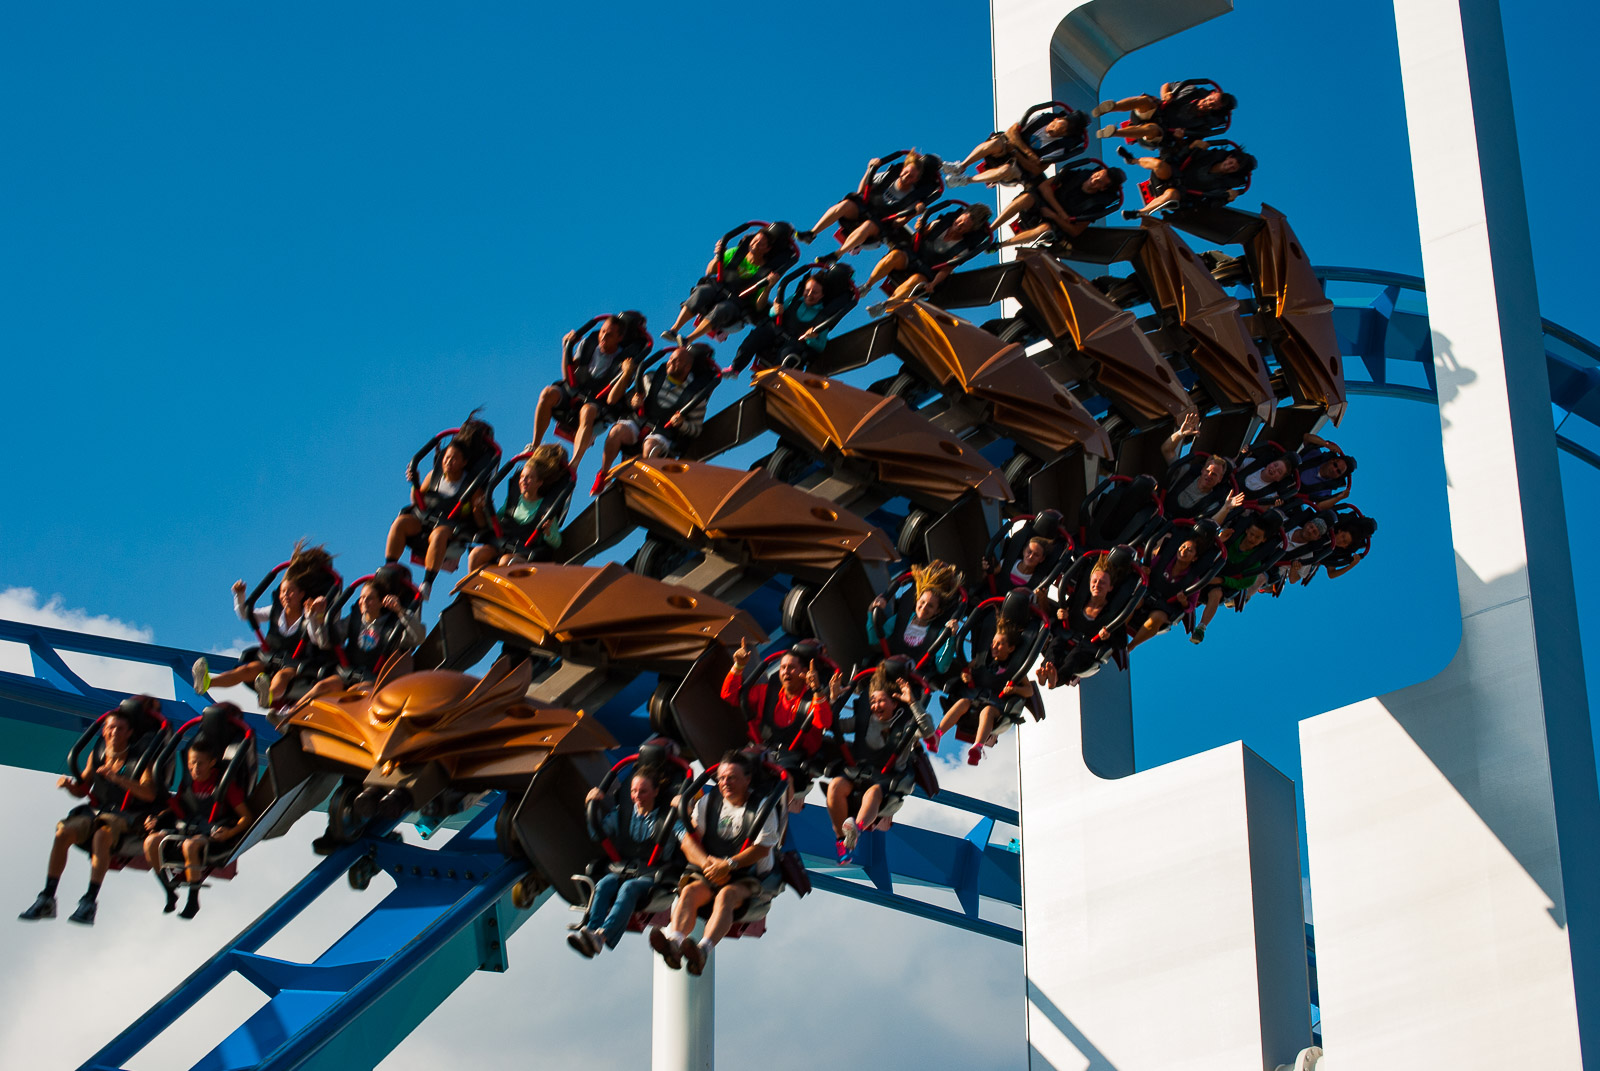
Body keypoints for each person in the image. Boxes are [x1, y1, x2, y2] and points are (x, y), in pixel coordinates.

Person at [18, 704, 160, 925]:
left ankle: (89, 901)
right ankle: (47, 896)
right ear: (104, 730)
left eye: (121, 729)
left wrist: (119, 779)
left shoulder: (140, 759)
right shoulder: (98, 754)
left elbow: (150, 794)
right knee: (63, 831)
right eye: (111, 728)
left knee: (102, 835)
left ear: (129, 733)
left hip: (126, 816)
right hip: (96, 811)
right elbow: (83, 789)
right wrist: (69, 786)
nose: (114, 732)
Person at [650, 751, 781, 975]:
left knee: (725, 896)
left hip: (746, 875)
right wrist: (707, 863)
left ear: (747, 779)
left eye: (731, 777)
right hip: (709, 869)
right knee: (689, 891)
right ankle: (674, 942)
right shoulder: (708, 802)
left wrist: (728, 865)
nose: (725, 783)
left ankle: (702, 950)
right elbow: (688, 841)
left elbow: (762, 848)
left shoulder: (762, 808)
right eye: (721, 778)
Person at [191, 542, 340, 707]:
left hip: (296, 665)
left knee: (281, 676)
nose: (286, 596)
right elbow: (246, 615)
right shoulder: (275, 611)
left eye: (290, 592)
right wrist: (239, 596)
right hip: (272, 659)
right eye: (283, 592)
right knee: (247, 670)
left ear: (301, 595)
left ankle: (267, 696)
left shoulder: (307, 614)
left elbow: (315, 637)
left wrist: (313, 616)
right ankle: (207, 683)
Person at [568, 765, 683, 958]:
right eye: (633, 791)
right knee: (604, 883)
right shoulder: (623, 813)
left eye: (643, 791)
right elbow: (597, 834)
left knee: (628, 888)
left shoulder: (667, 819)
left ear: (656, 792)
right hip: (624, 868)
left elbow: (686, 837)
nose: (637, 796)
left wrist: (685, 810)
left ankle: (602, 937)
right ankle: (590, 931)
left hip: (653, 874)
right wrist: (591, 806)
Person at [826, 666, 935, 861]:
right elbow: (830, 724)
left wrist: (912, 702)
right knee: (834, 786)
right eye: (872, 701)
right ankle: (841, 840)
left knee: (874, 792)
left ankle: (856, 829)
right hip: (858, 772)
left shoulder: (906, 725)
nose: (875, 706)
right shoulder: (865, 720)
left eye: (881, 701)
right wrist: (833, 700)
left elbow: (928, 731)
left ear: (894, 703)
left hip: (886, 779)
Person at [385, 414, 500, 599]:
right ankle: (389, 569)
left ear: (464, 463)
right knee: (400, 522)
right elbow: (418, 502)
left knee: (439, 533)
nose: (448, 462)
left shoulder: (472, 489)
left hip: (451, 532)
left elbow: (479, 523)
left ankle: (427, 583)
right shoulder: (434, 477)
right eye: (446, 457)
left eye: (454, 459)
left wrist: (479, 508)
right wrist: (414, 483)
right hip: (425, 520)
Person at [143, 731, 252, 919]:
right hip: (187, 826)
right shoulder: (187, 783)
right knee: (150, 842)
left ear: (211, 763)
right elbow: (177, 807)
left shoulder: (225, 785)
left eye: (200, 763)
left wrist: (229, 833)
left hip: (213, 832)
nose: (195, 768)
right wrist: (157, 819)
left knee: (190, 845)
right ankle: (169, 891)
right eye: (192, 763)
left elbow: (246, 817)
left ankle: (193, 900)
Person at [532, 313, 650, 470]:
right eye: (602, 332)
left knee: (587, 410)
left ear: (619, 338)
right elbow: (569, 378)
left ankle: (574, 464)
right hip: (576, 391)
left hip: (599, 403)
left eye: (609, 335)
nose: (603, 338)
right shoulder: (589, 343)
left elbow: (612, 399)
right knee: (547, 393)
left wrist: (627, 373)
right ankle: (534, 446)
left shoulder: (625, 361)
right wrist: (566, 348)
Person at [595, 343, 721, 486]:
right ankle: (604, 475)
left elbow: (696, 430)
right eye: (671, 358)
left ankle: (639, 484)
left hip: (663, 433)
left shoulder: (696, 398)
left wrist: (682, 424)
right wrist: (634, 401)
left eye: (677, 360)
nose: (671, 362)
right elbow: (629, 400)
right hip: (639, 422)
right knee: (616, 431)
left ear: (687, 368)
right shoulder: (651, 377)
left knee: (650, 447)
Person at [663, 223, 800, 345]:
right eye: (754, 240)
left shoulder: (766, 272)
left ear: (767, 249)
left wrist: (768, 287)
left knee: (722, 309)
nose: (754, 244)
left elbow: (759, 305)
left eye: (761, 244)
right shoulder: (736, 252)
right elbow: (710, 272)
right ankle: (674, 329)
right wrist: (718, 256)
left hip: (737, 304)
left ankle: (689, 339)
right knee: (702, 292)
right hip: (718, 288)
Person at [1036, 549, 1147, 687]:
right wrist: (1061, 614)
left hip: (1087, 651)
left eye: (1102, 583)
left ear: (1110, 588)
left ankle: (1056, 680)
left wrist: (1108, 635)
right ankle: (1046, 670)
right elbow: (1062, 614)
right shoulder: (1079, 600)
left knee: (1075, 656)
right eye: (1094, 581)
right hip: (1067, 635)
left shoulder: (1113, 612)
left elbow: (1120, 643)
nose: (1097, 585)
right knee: (1055, 645)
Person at [722, 639, 842, 765]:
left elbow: (824, 722)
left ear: (804, 672)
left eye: (791, 668)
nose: (785, 672)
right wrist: (738, 666)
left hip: (797, 761)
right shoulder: (766, 692)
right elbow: (730, 695)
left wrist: (817, 689)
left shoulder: (815, 700)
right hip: (759, 751)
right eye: (783, 667)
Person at [800, 150, 944, 254]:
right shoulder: (889, 176)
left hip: (878, 227)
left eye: (911, 176)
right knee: (846, 204)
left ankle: (838, 254)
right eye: (905, 172)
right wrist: (870, 170)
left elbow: (897, 223)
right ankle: (811, 233)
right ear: (902, 169)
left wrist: (913, 214)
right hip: (863, 211)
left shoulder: (914, 197)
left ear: (917, 179)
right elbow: (861, 192)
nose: (906, 177)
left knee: (869, 224)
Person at [860, 201, 994, 310]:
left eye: (964, 226)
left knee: (916, 279)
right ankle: (867, 286)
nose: (958, 225)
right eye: (959, 220)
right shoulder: (938, 225)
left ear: (970, 230)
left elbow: (946, 269)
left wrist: (933, 284)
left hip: (927, 272)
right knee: (895, 255)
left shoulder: (962, 249)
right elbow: (917, 239)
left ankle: (884, 306)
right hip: (914, 258)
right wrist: (920, 228)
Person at [731, 261, 859, 375]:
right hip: (776, 332)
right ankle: (735, 368)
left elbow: (820, 346)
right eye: (807, 290)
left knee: (787, 356)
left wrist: (811, 339)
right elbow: (774, 313)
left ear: (821, 296)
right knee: (757, 335)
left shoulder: (823, 316)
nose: (809, 295)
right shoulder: (796, 299)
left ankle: (768, 382)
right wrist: (774, 310)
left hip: (794, 344)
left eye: (814, 293)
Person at [935, 622, 1035, 766]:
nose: (994, 646)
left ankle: (977, 747)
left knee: (987, 711)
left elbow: (1029, 691)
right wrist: (966, 677)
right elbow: (966, 671)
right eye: (993, 642)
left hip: (996, 706)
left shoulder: (1014, 668)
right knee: (962, 702)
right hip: (975, 698)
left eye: (999, 644)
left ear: (1011, 648)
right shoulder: (982, 659)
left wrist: (1014, 690)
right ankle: (937, 734)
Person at [306, 566, 425, 684]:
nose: (364, 602)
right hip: (348, 673)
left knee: (358, 690)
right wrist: (318, 617)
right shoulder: (354, 619)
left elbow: (418, 638)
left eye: (370, 599)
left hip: (375, 681)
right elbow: (325, 642)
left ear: (381, 602)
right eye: (362, 598)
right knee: (322, 686)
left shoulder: (395, 624)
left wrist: (400, 611)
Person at [468, 444, 574, 570]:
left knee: (506, 561)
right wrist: (484, 509)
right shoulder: (513, 500)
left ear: (539, 482)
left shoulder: (546, 508)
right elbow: (496, 523)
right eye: (522, 477)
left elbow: (557, 542)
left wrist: (548, 533)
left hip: (524, 552)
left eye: (529, 478)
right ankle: (470, 589)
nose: (523, 480)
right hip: (503, 543)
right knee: (476, 554)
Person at [1190, 509, 1285, 644]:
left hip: (1222, 581)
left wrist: (1222, 580)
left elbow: (1246, 582)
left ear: (1263, 540)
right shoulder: (1232, 537)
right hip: (1207, 568)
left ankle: (1201, 627)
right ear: (1247, 531)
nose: (1252, 539)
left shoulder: (1255, 560)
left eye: (1257, 537)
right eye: (1251, 534)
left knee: (1216, 594)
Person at [1127, 521, 1224, 649]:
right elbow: (1148, 568)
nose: (1183, 551)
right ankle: (1115, 633)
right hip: (1147, 593)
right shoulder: (1164, 560)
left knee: (1157, 617)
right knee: (1134, 601)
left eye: (1189, 550)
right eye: (1183, 547)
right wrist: (1146, 571)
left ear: (1194, 558)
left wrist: (1183, 601)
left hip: (1164, 605)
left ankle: (1130, 647)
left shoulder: (1192, 579)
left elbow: (1191, 606)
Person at [945, 102, 1088, 188]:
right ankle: (961, 166)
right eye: (1059, 125)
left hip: (1018, 166)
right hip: (1006, 147)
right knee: (995, 142)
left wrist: (1017, 153)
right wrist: (1028, 152)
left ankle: (965, 181)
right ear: (1057, 119)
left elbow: (1037, 168)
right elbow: (1012, 132)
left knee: (1006, 170)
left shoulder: (1058, 148)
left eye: (1063, 131)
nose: (1056, 130)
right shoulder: (1040, 119)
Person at [992, 160, 1126, 248]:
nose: (1094, 179)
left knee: (1045, 228)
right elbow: (1044, 187)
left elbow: (1075, 231)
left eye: (1099, 181)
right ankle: (991, 228)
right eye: (1096, 175)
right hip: (1044, 205)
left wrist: (1055, 216)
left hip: (1053, 224)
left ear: (1103, 188)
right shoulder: (1076, 175)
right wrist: (1059, 211)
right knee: (1027, 198)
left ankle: (1000, 245)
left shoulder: (1096, 205)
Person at [866, 561, 964, 679]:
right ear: (917, 600)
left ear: (937, 611)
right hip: (887, 667)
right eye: (922, 602)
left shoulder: (939, 631)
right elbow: (875, 640)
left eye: (930, 606)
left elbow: (942, 667)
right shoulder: (902, 618)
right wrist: (872, 613)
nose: (924, 608)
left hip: (912, 677)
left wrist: (951, 638)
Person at [1120, 143, 1256, 219]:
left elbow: (1212, 204)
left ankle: (1140, 212)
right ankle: (1132, 160)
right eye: (1232, 162)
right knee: (1159, 164)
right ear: (1229, 157)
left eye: (1235, 167)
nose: (1231, 166)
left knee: (1171, 195)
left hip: (1182, 193)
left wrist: (1227, 197)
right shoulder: (1211, 156)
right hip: (1173, 174)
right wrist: (1192, 146)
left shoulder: (1225, 186)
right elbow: (1187, 154)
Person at [1091, 80, 1237, 147]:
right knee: (1145, 101)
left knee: (1152, 129)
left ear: (1217, 110)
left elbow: (1188, 144)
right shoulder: (1191, 90)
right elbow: (1166, 85)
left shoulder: (1204, 126)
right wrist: (1166, 94)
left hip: (1162, 132)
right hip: (1156, 111)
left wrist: (1180, 138)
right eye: (1211, 99)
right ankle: (1110, 107)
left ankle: (1113, 132)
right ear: (1211, 93)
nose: (1209, 103)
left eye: (1213, 105)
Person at [1159, 411, 1244, 522]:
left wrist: (1226, 508)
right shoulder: (1185, 472)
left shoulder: (1212, 502)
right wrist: (1181, 434)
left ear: (1219, 479)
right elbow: (1166, 450)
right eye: (1208, 471)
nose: (1209, 476)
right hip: (1157, 511)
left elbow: (1211, 523)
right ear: (1203, 470)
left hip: (1175, 531)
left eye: (1214, 474)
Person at [1296, 431, 1357, 509]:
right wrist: (1326, 444)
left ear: (1339, 477)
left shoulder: (1325, 490)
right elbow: (1307, 437)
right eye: (1335, 465)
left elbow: (1320, 506)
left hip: (1286, 497)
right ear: (1332, 460)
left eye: (1338, 471)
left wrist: (1339, 497)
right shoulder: (1315, 455)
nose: (1334, 470)